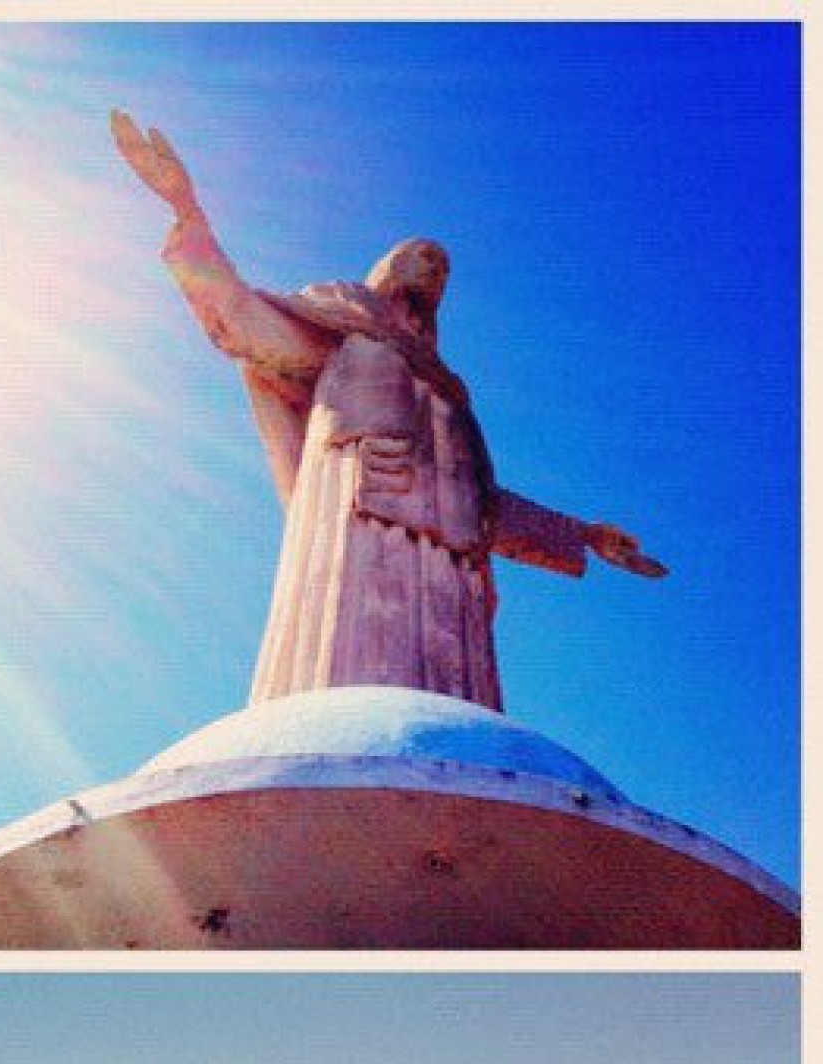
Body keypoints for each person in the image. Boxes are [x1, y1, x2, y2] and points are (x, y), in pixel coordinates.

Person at [110, 113, 664, 713]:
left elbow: (484, 501)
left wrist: (582, 533)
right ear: (390, 266)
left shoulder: (449, 392)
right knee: (351, 664)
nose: (436, 269)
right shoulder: (346, 330)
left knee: (449, 704)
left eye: (444, 266)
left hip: (454, 559)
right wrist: (186, 211)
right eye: (424, 255)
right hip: (360, 512)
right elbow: (242, 320)